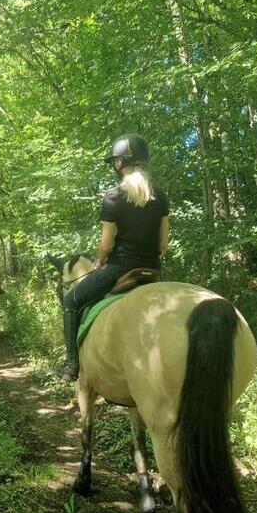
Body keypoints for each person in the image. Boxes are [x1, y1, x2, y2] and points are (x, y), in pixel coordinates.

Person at [61, 134, 170, 381]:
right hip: (153, 270)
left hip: (119, 268)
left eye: (114, 162)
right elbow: (164, 243)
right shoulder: (160, 197)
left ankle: (71, 365)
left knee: (70, 303)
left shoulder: (113, 196)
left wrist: (101, 262)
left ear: (120, 163)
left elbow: (106, 245)